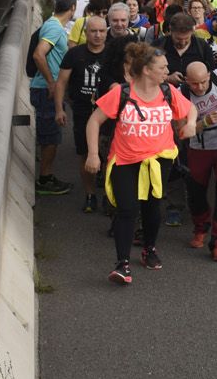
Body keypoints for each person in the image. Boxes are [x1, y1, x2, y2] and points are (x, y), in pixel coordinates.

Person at [84, 42, 198, 284]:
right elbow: (94, 121)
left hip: (160, 160)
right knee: (127, 209)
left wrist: (189, 124)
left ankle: (149, 248)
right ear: (146, 70)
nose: (167, 70)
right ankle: (122, 263)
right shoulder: (122, 93)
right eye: (162, 67)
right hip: (125, 160)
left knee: (152, 207)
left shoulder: (168, 91)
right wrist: (93, 154)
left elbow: (191, 110)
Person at [54, 10, 113, 212]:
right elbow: (61, 82)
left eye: (102, 31)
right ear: (86, 33)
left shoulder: (113, 54)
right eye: (93, 31)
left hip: (109, 113)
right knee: (86, 153)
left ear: (107, 32)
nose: (98, 35)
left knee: (109, 155)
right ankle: (90, 194)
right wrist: (59, 109)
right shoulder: (75, 54)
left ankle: (108, 195)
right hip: (82, 111)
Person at [181, 60, 217, 261]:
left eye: (204, 81)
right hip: (199, 148)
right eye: (195, 83)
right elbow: (181, 132)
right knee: (196, 193)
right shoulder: (181, 94)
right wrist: (202, 123)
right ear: (187, 81)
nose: (201, 87)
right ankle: (200, 227)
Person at [31, 0, 78, 196]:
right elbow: (39, 54)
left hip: (47, 88)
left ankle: (47, 176)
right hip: (46, 90)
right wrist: (52, 82)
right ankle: (45, 179)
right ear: (73, 8)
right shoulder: (54, 27)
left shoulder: (53, 25)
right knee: (50, 136)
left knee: (51, 135)